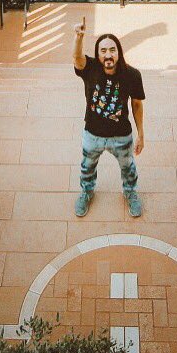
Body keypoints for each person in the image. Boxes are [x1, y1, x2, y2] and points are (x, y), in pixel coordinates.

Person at [72, 19, 145, 219]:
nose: (108, 55)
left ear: (119, 52)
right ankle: (87, 192)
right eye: (103, 51)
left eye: (112, 50)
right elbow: (77, 59)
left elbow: (137, 105)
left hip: (121, 136)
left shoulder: (132, 75)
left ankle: (130, 192)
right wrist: (78, 38)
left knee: (128, 168)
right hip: (92, 134)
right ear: (97, 55)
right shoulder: (91, 68)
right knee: (87, 167)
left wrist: (141, 135)